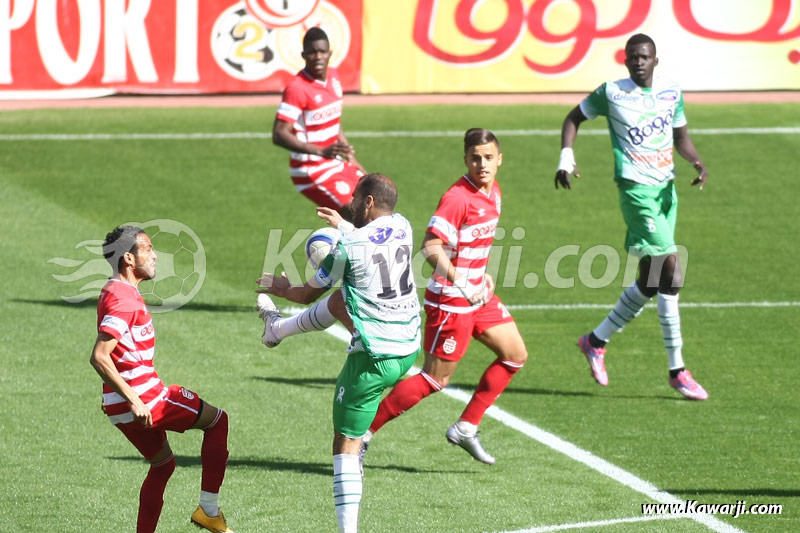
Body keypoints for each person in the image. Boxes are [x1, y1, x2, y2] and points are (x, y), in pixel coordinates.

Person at [256, 174, 421, 533]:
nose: (349, 202)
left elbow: (305, 295)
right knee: (340, 299)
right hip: (409, 344)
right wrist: (345, 224)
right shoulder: (404, 226)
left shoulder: (346, 250)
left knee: (345, 443)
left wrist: (282, 288)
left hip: (374, 359)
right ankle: (278, 330)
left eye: (355, 198)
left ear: (369, 203)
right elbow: (370, 238)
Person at [554, 33, 709, 400]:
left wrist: (697, 161)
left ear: (656, 60)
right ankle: (677, 370)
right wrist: (566, 155)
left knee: (652, 280)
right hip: (636, 191)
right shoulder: (611, 92)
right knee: (671, 269)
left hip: (665, 192)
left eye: (645, 56)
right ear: (625, 61)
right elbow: (573, 118)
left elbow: (680, 136)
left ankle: (595, 341)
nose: (638, 61)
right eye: (632, 57)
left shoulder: (672, 92)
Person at [362, 128, 528, 466]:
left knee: (514, 355)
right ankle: (362, 433)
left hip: (477, 295)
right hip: (451, 300)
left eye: (488, 157)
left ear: (499, 159)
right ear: (465, 159)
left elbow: (473, 245)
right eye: (474, 158)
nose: (482, 164)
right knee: (435, 379)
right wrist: (463, 281)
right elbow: (431, 246)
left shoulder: (493, 191)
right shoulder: (458, 198)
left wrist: (483, 276)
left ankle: (466, 427)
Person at [90, 226, 232, 533]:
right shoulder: (123, 299)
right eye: (148, 249)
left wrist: (115, 396)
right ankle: (209, 511)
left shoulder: (114, 291)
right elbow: (100, 355)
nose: (155, 255)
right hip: (146, 399)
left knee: (163, 465)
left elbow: (118, 355)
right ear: (128, 258)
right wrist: (133, 399)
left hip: (120, 406)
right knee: (217, 421)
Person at [272, 26, 366, 218]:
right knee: (358, 215)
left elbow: (333, 119)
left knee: (376, 199)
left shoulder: (334, 77)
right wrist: (320, 151)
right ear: (304, 55)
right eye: (312, 52)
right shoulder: (297, 88)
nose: (318, 57)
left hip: (336, 161)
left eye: (322, 51)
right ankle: (339, 247)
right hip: (311, 171)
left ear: (329, 53)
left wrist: (349, 155)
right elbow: (279, 134)